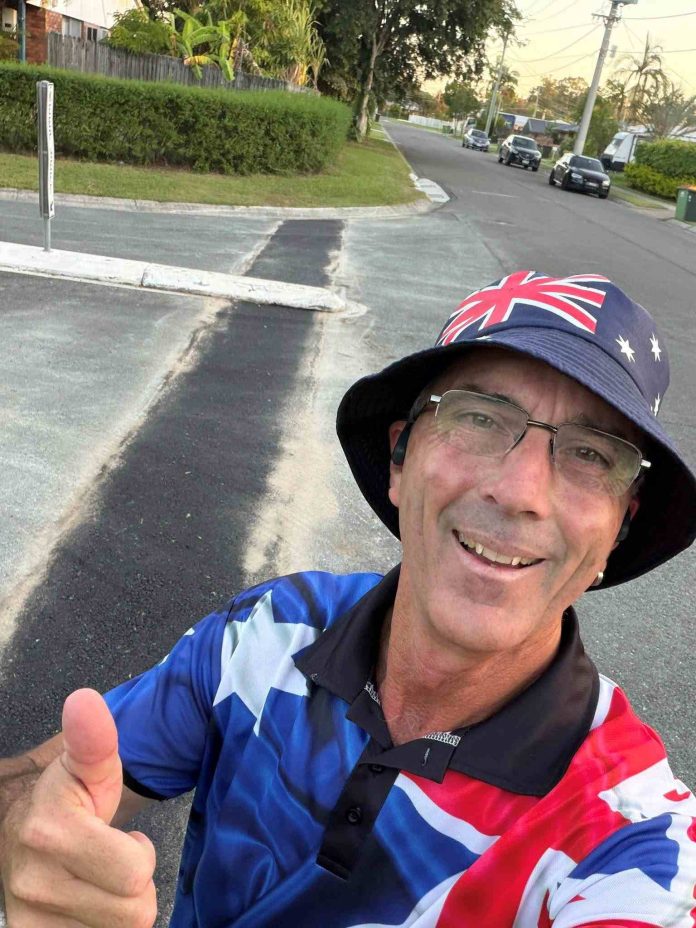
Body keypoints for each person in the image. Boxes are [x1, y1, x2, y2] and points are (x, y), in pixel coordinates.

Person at [1, 270, 695, 928]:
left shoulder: (627, 837)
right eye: (480, 418)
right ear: (400, 460)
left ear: (617, 529)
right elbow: (47, 785)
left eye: (591, 455)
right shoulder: (272, 630)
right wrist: (27, 840)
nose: (519, 492)